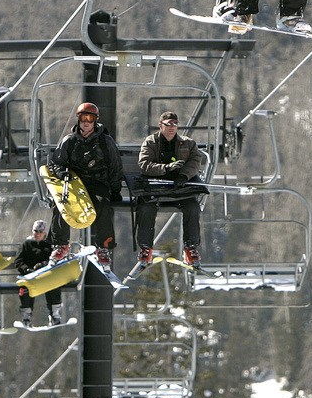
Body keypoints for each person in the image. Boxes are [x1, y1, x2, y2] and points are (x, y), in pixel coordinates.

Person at [46, 102, 124, 271]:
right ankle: (60, 245)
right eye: (83, 118)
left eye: (90, 118)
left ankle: (103, 247)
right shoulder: (70, 141)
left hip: (98, 183)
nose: (86, 122)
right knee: (60, 206)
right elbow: (55, 163)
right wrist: (61, 173)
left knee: (103, 207)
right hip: (76, 185)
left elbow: (115, 166)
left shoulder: (105, 142)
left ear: (95, 121)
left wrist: (115, 189)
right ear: (78, 120)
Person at [134, 112, 206, 275]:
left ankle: (190, 249)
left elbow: (195, 162)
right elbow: (144, 164)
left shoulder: (188, 143)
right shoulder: (151, 142)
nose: (172, 128)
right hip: (155, 186)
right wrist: (165, 168)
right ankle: (146, 249)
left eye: (174, 124)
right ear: (161, 126)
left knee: (192, 207)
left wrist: (183, 175)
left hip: (179, 187)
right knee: (146, 208)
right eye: (168, 124)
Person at [14, 220, 64, 327]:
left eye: (40, 232)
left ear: (44, 233)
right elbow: (18, 261)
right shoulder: (26, 245)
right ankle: (26, 316)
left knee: (54, 284)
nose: (37, 234)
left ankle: (54, 314)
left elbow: (56, 259)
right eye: (35, 231)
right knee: (25, 288)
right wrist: (26, 269)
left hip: (45, 275)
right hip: (30, 276)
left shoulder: (49, 246)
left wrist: (44, 265)